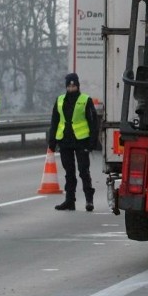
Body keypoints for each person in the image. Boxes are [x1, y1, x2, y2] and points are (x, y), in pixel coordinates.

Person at [48, 72, 99, 211]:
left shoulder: (85, 100)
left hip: (81, 140)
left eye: (74, 85)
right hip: (64, 141)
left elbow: (93, 122)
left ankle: (89, 200)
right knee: (69, 172)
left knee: (83, 171)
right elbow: (55, 122)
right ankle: (70, 200)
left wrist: (93, 142)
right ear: (66, 87)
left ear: (77, 85)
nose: (71, 88)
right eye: (69, 86)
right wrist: (51, 141)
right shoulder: (59, 100)